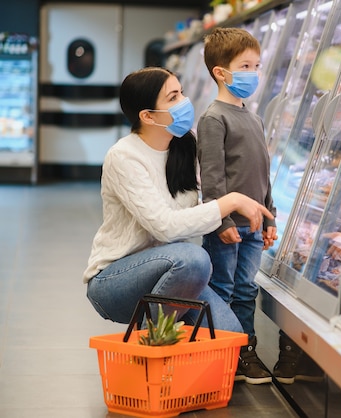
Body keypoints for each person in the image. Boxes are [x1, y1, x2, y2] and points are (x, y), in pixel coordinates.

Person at [83, 66, 273, 333]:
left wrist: (245, 221)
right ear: (148, 116)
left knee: (232, 336)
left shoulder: (184, 147)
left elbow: (196, 212)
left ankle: (172, 354)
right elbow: (165, 227)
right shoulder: (124, 156)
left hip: (174, 276)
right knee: (194, 259)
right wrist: (228, 203)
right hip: (115, 280)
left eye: (181, 93)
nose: (184, 102)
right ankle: (151, 348)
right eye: (173, 98)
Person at [198, 27, 278, 384]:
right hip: (228, 226)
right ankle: (219, 351)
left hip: (255, 224)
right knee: (222, 289)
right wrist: (223, 220)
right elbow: (212, 178)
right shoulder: (214, 119)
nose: (254, 73)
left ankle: (245, 351)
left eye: (257, 65)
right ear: (221, 72)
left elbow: (264, 171)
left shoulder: (255, 118)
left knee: (247, 290)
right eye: (245, 65)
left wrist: (269, 213)